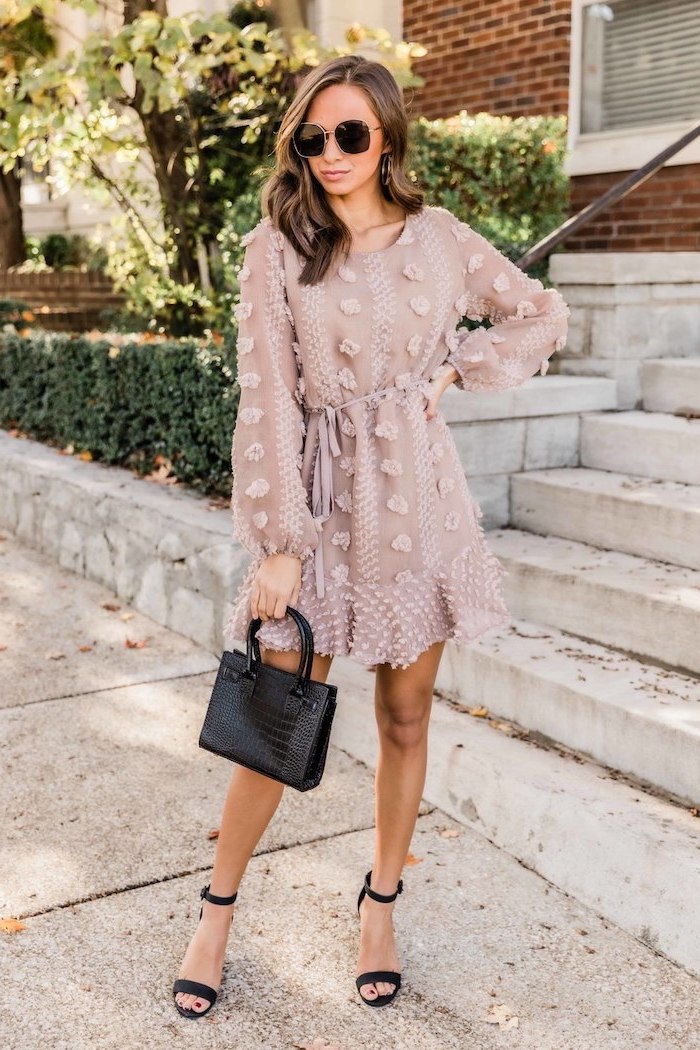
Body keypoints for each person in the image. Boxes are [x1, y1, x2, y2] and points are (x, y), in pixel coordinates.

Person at [173, 53, 569, 1017]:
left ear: (386, 133)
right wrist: (279, 541)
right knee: (273, 712)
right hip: (317, 501)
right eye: (313, 138)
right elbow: (265, 396)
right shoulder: (278, 247)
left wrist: (457, 368)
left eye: (350, 133)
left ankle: (380, 904)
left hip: (420, 505)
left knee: (405, 716)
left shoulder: (438, 240)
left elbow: (539, 311)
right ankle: (216, 911)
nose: (332, 153)